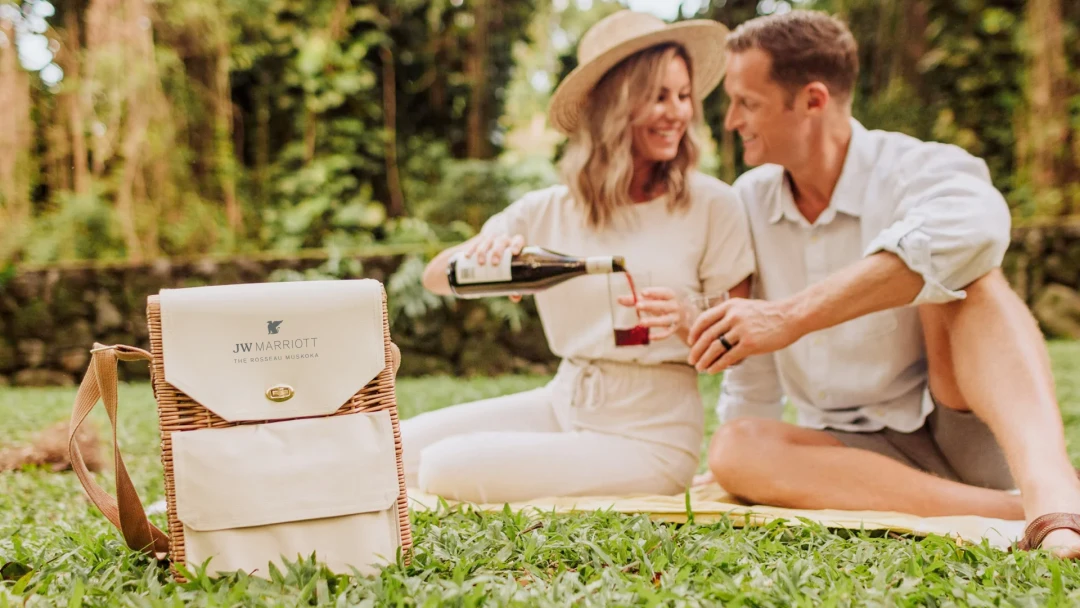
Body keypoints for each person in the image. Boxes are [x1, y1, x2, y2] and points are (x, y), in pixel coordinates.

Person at [689, 9, 1080, 557]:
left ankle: (1052, 490)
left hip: (956, 427)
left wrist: (789, 317)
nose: (731, 120)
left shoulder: (917, 167)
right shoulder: (747, 202)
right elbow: (751, 366)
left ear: (813, 100)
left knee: (973, 276)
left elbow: (978, 229)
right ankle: (1025, 513)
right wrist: (749, 473)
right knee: (733, 448)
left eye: (746, 102)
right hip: (848, 458)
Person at [400, 10, 755, 505]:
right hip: (564, 400)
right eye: (657, 96)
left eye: (683, 95)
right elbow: (439, 276)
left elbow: (735, 344)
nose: (677, 112)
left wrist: (686, 315)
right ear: (612, 106)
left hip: (651, 436)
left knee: (443, 467)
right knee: (396, 446)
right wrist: (485, 253)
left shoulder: (713, 205)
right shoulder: (548, 209)